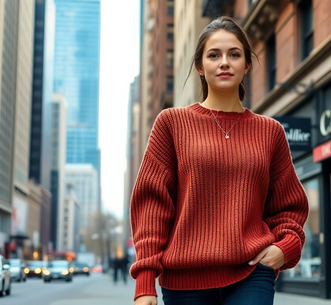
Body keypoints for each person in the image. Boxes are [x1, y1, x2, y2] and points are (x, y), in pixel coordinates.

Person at [130, 16, 309, 305]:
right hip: (185, 279)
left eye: (234, 54)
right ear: (200, 67)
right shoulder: (172, 123)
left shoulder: (270, 131)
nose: (224, 62)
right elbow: (152, 204)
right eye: (214, 55)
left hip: (252, 272)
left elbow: (288, 205)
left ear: (246, 65)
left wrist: (285, 246)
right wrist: (145, 280)